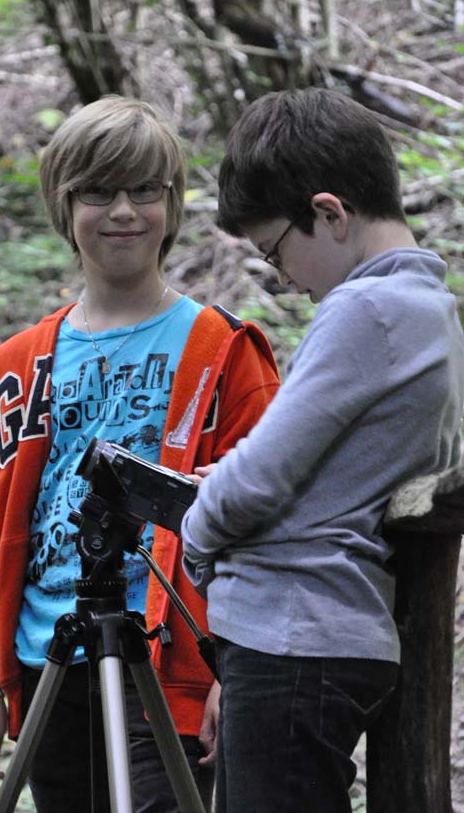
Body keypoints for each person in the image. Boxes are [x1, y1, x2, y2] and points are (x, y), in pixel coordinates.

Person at [0, 95, 280, 813]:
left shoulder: (223, 350)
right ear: (64, 205)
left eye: (145, 190)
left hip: (167, 662)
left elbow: (266, 519)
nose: (125, 211)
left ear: (172, 203)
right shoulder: (20, 366)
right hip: (47, 660)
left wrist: (236, 668)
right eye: (98, 192)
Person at [181, 87, 464, 813]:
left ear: (329, 214)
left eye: (276, 251)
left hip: (293, 634)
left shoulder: (365, 308)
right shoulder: (429, 312)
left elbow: (259, 476)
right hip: (323, 635)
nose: (283, 277)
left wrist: (196, 533)